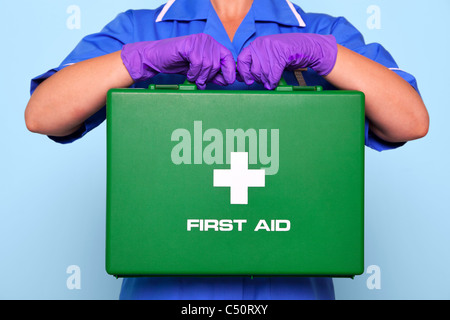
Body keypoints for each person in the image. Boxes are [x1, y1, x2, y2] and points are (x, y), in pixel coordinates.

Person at [25, 0, 429, 300]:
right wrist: (139, 59)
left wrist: (325, 55)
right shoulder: (141, 28)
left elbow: (410, 121)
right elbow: (43, 114)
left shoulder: (322, 30)